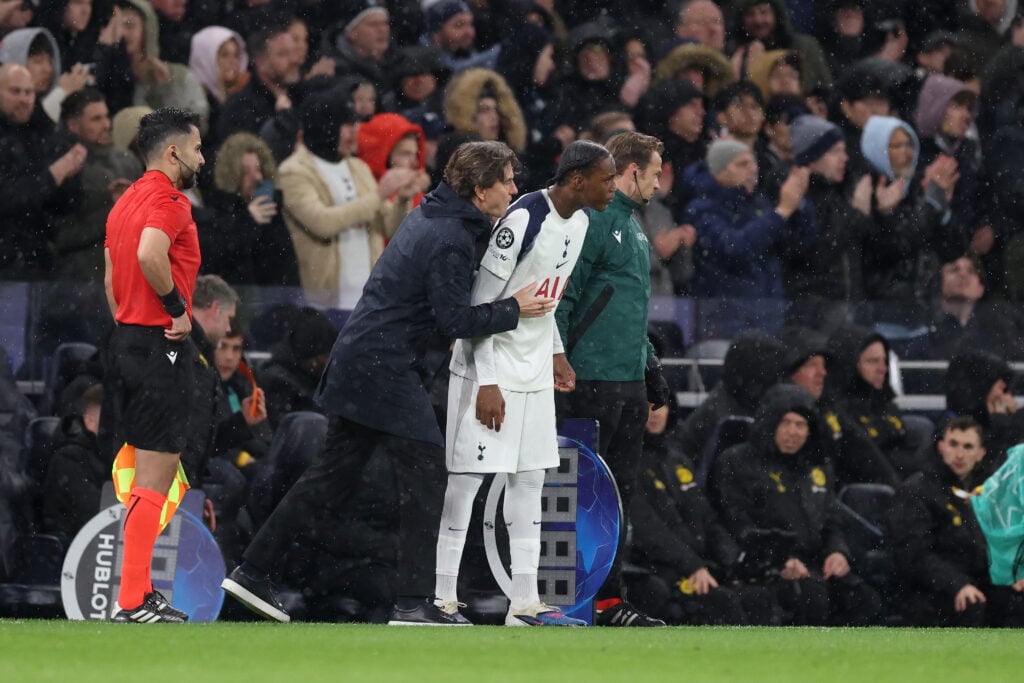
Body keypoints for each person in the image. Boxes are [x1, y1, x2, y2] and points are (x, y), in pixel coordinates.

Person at [221, 140, 556, 625]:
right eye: (506, 180)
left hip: (364, 362)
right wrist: (514, 309)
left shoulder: (437, 217)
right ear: (481, 190)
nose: (514, 188)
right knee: (425, 474)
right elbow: (454, 319)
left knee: (328, 478)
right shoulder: (450, 235)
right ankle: (414, 601)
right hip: (383, 368)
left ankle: (252, 572)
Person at [434, 140, 616, 626]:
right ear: (578, 179)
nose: (614, 188)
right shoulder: (522, 220)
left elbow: (544, 302)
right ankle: (442, 599)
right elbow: (481, 302)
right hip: (488, 369)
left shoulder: (579, 223)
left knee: (531, 482)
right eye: (607, 178)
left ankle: (524, 604)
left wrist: (555, 353)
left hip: (533, 371)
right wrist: (487, 381)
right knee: (466, 483)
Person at [555, 131, 671, 627]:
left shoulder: (635, 227)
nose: (659, 183)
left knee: (616, 494)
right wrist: (558, 359)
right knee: (579, 492)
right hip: (588, 378)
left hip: (625, 380)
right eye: (656, 172)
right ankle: (566, 599)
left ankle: (606, 601)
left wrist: (650, 366)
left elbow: (630, 310)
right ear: (632, 171)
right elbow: (564, 296)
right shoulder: (595, 222)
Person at [101, 106, 205, 623]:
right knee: (155, 476)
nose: (200, 157)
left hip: (125, 340)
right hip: (157, 343)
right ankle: (134, 599)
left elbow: (110, 278)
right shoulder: (169, 200)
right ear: (173, 152)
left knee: (147, 475)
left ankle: (135, 597)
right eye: (197, 147)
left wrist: (131, 323)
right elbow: (149, 254)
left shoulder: (123, 203)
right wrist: (175, 311)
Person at [713, 383, 882, 626]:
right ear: (769, 423)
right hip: (763, 569)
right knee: (809, 595)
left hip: (814, 566)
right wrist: (778, 561)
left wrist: (838, 552)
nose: (793, 431)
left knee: (866, 598)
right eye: (785, 422)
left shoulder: (817, 467)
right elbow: (735, 523)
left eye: (801, 424)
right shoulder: (737, 462)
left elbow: (832, 521)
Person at [278, 87, 420, 308]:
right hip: (324, 304)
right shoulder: (293, 171)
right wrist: (379, 194)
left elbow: (390, 227)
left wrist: (402, 199)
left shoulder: (358, 168)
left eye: (355, 124)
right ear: (325, 127)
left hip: (368, 301)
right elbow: (322, 222)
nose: (355, 132)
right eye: (346, 125)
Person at [887, 416, 1024, 626]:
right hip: (930, 589)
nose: (959, 454)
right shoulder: (917, 490)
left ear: (981, 454)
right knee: (972, 603)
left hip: (979, 580)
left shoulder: (990, 492)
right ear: (941, 447)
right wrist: (957, 584)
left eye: (968, 447)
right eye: (953, 444)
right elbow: (914, 555)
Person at [0, 62, 87, 280]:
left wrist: (71, 173)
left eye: (29, 92)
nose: (24, 99)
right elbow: (8, 198)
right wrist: (54, 174)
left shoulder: (44, 135)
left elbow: (66, 205)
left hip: (39, 261)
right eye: (15, 91)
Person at [54, 87, 144, 281]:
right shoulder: (63, 168)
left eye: (106, 116)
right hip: (83, 279)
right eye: (96, 119)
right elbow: (60, 235)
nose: (106, 124)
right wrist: (112, 209)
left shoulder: (128, 161)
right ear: (73, 125)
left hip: (129, 274)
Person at [41, 383, 106, 548]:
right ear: (90, 422)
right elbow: (99, 513)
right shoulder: (69, 459)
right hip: (74, 557)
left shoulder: (112, 457)